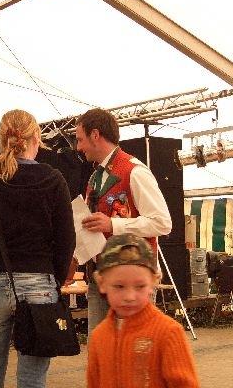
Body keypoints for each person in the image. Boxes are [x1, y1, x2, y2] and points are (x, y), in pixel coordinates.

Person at [0, 109, 75, 388]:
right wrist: (54, 281)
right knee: (32, 380)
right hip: (39, 285)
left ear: (1, 139)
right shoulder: (53, 179)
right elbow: (66, 240)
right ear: (37, 138)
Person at [75, 108, 172, 335]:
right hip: (101, 277)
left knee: (135, 345)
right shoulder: (95, 177)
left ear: (95, 135)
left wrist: (113, 225)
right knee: (100, 347)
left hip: (132, 280)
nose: (78, 147)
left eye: (80, 139)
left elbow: (162, 222)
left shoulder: (135, 171)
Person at [87, 234, 199, 388]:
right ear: (102, 283)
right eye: (119, 286)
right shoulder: (99, 336)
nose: (129, 297)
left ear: (154, 282)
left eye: (140, 286)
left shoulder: (168, 333)